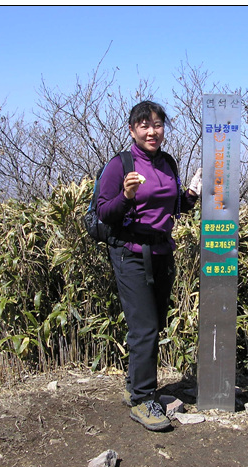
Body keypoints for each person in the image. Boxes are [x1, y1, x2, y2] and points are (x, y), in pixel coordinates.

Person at [96, 100, 201, 431]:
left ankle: (135, 387)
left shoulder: (167, 162)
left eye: (157, 124)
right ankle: (142, 399)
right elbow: (104, 212)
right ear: (132, 130)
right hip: (130, 253)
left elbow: (172, 205)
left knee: (153, 325)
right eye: (144, 125)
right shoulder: (120, 164)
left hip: (161, 252)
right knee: (143, 328)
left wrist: (191, 194)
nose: (152, 131)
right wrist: (126, 196)